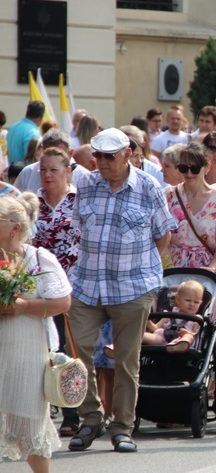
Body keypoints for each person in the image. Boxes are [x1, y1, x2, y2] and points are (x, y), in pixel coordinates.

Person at [67, 128, 175, 453]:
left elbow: (163, 236)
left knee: (126, 360)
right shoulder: (86, 184)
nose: (101, 163)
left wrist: (143, 273)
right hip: (87, 284)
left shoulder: (149, 187)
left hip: (132, 287)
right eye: (97, 156)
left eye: (109, 157)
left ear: (128, 154)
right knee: (77, 356)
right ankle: (90, 419)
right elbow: (79, 229)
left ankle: (122, 427)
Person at [0, 195, 72, 472]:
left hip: (28, 350)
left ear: (15, 228)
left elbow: (63, 302)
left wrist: (24, 306)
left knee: (29, 425)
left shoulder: (38, 259)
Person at [31, 147, 81, 436]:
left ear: (68, 172)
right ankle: (45, 410)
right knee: (46, 349)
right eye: (43, 169)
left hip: (74, 287)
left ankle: (74, 413)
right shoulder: (31, 203)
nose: (48, 175)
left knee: (70, 351)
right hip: (39, 289)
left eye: (54, 170)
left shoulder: (80, 202)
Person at [164, 143, 216, 270]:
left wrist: (212, 268)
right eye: (184, 168)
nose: (189, 173)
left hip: (205, 272)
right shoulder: (168, 195)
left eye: (195, 169)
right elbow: (159, 235)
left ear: (207, 168)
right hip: (171, 269)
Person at [108, 280, 203, 355]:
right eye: (188, 300)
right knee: (140, 334)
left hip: (181, 338)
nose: (192, 304)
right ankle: (118, 346)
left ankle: (178, 345)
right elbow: (156, 328)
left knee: (189, 337)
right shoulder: (169, 314)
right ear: (178, 299)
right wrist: (148, 323)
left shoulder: (196, 319)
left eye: (196, 302)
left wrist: (188, 333)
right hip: (162, 338)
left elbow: (196, 336)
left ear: (200, 303)